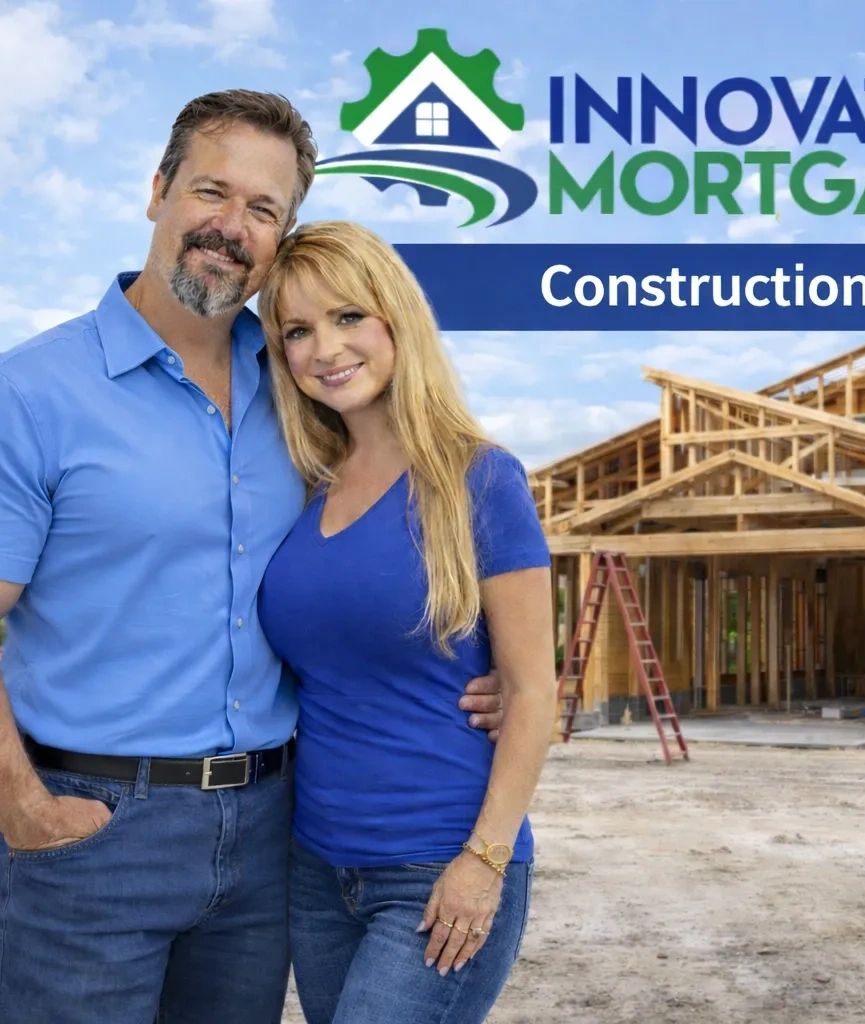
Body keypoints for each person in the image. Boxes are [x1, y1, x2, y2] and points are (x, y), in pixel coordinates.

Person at [0, 91, 505, 1024]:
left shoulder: (309, 397)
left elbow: (387, 565)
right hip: (91, 824)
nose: (232, 227)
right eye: (212, 192)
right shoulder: (19, 396)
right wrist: (27, 813)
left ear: (283, 237)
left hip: (270, 834)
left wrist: (502, 675)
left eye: (264, 211)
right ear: (157, 191)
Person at [255, 220, 555, 1024]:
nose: (325, 348)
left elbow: (532, 693)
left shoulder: (480, 480)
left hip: (440, 863)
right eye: (297, 330)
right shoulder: (303, 488)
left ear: (397, 319)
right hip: (316, 869)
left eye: (348, 316)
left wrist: (483, 862)